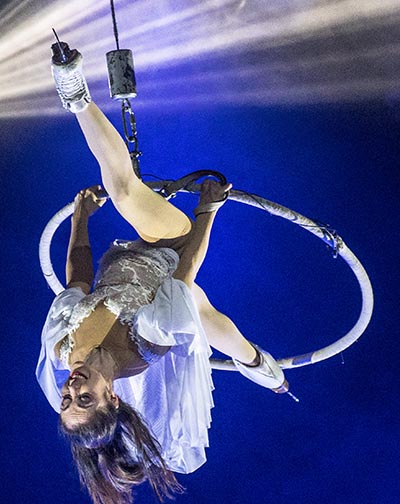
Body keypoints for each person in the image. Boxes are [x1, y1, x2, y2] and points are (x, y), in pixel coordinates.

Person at [36, 42, 289, 504]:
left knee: (128, 200)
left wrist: (80, 218)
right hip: (172, 250)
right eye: (85, 400)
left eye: (66, 402)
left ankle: (260, 366)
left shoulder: (61, 346)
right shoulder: (148, 341)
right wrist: (207, 209)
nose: (71, 390)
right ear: (112, 398)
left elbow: (77, 279)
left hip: (132, 260)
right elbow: (184, 271)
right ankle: (266, 371)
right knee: (210, 323)